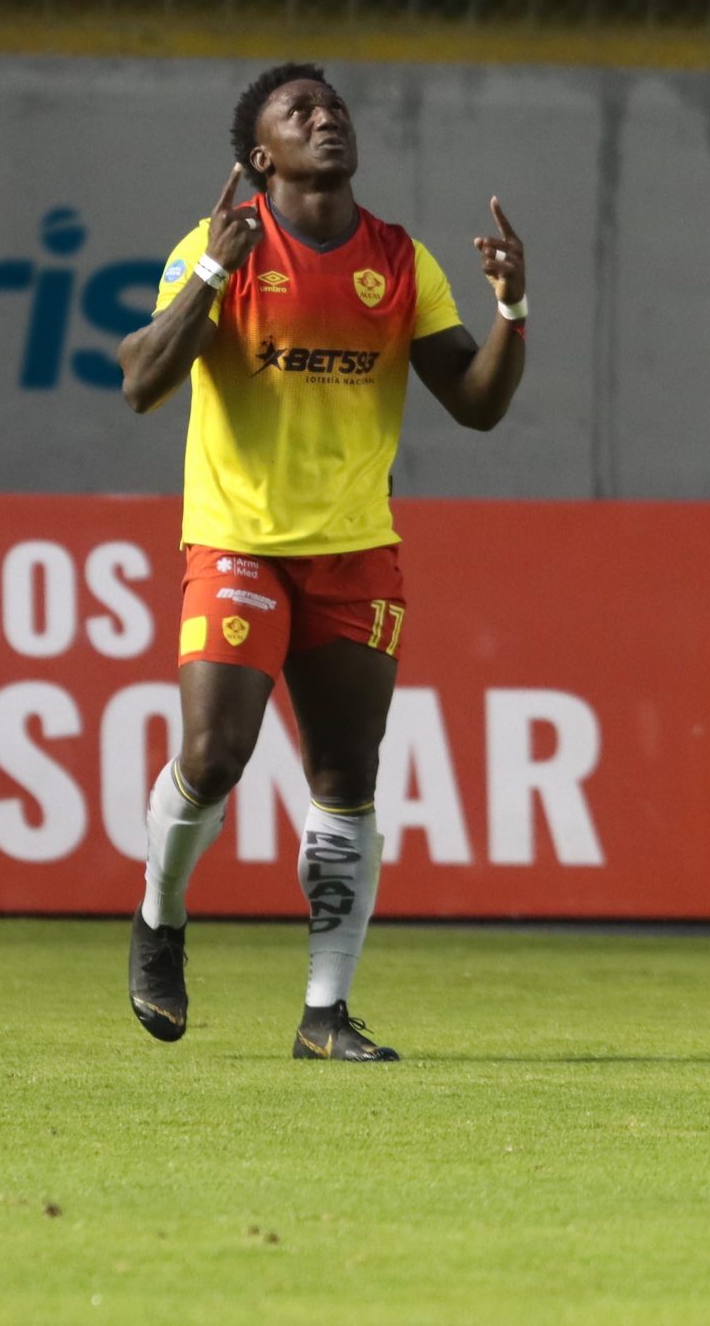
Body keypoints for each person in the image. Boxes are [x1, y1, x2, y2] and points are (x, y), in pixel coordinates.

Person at [116, 62, 528, 1061]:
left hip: (354, 551)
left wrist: (512, 311)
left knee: (347, 776)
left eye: (333, 106)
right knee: (214, 756)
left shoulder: (401, 259)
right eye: (298, 112)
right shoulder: (218, 245)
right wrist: (212, 274)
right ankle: (159, 919)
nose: (325, 117)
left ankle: (324, 1013)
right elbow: (141, 382)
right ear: (262, 156)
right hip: (239, 540)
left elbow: (475, 404)